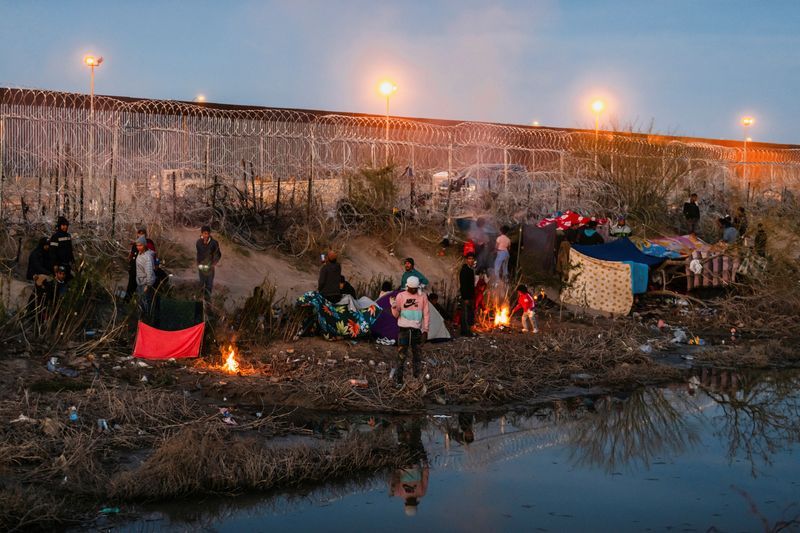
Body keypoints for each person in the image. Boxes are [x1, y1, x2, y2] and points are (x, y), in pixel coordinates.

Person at [390, 276, 429, 386]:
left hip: (417, 332)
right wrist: (393, 306)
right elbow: (396, 315)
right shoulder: (401, 296)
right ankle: (399, 381)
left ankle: (416, 379)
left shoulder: (423, 296)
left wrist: (425, 331)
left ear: (418, 287)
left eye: (415, 289)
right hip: (404, 331)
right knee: (401, 357)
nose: (413, 291)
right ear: (407, 286)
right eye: (411, 288)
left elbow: (426, 314)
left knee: (417, 356)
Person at [126, 228, 156, 302]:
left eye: (142, 234)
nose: (138, 247)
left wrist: (148, 284)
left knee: (144, 298)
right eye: (139, 234)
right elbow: (132, 254)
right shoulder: (137, 246)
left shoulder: (148, 247)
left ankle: (143, 307)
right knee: (131, 287)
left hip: (144, 277)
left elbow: (149, 269)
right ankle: (127, 301)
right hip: (135, 271)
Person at [196, 225, 221, 299]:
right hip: (201, 267)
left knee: (209, 285)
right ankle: (199, 301)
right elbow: (198, 254)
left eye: (208, 233)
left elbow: (218, 254)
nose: (206, 235)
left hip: (210, 268)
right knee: (201, 284)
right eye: (205, 233)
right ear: (201, 233)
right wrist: (198, 263)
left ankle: (207, 301)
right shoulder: (198, 242)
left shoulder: (214, 243)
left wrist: (213, 264)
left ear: (210, 234)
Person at [135, 236, 157, 320]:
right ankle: (141, 319)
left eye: (140, 245)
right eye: (137, 245)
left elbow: (149, 272)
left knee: (146, 303)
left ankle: (147, 320)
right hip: (140, 282)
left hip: (145, 283)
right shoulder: (140, 253)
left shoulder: (147, 257)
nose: (138, 247)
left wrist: (148, 285)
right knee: (140, 303)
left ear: (144, 245)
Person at [459, 253, 476, 337]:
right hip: (466, 296)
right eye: (469, 259)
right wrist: (465, 297)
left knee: (469, 314)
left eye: (472, 259)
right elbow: (463, 285)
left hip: (470, 296)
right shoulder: (464, 270)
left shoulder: (471, 270)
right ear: (466, 260)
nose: (471, 260)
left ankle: (467, 331)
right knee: (465, 315)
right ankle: (466, 332)